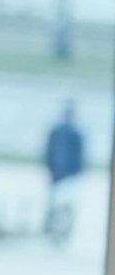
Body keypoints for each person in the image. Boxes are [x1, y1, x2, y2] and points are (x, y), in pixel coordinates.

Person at [44, 102, 85, 245]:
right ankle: (56, 232)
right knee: (59, 206)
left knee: (61, 206)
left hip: (62, 175)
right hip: (62, 175)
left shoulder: (71, 133)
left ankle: (59, 232)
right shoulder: (70, 132)